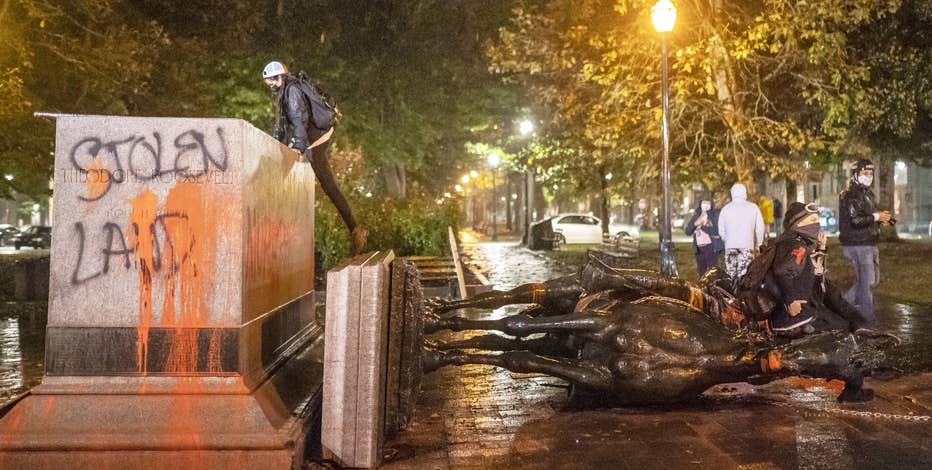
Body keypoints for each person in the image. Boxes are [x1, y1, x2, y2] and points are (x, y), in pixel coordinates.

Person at [263, 61, 367, 254]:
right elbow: (281, 125)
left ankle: (355, 229)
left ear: (280, 77)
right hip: (313, 137)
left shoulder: (292, 91)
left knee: (327, 184)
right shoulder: (284, 92)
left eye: (272, 82)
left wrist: (299, 147)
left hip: (316, 138)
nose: (271, 86)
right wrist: (273, 141)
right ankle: (354, 228)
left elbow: (300, 120)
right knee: (325, 183)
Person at [765, 202, 866, 335]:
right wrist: (791, 301)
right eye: (813, 220)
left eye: (818, 220)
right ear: (799, 224)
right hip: (798, 319)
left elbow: (817, 272)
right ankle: (860, 326)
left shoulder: (796, 242)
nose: (817, 225)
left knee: (831, 293)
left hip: (805, 311)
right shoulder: (796, 245)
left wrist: (821, 248)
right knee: (843, 328)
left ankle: (860, 324)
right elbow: (782, 270)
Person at [838, 158, 891, 324]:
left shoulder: (867, 193)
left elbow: (869, 216)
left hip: (868, 242)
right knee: (867, 283)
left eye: (871, 173)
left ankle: (841, 306)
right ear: (856, 174)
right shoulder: (851, 194)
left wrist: (882, 219)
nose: (869, 176)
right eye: (865, 173)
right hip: (857, 244)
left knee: (870, 281)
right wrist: (876, 216)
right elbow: (856, 220)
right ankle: (867, 320)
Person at [718, 183, 766, 282]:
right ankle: (742, 296)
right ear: (745, 193)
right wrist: (759, 244)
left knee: (731, 276)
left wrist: (726, 239)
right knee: (744, 276)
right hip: (747, 247)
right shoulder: (753, 207)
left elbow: (721, 230)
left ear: (732, 193)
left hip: (730, 246)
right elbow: (760, 227)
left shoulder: (725, 209)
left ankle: (731, 295)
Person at [684, 198, 723, 276]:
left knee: (711, 272)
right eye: (704, 202)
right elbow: (688, 231)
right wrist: (696, 222)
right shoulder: (696, 215)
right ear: (700, 204)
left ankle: (712, 287)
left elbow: (717, 230)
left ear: (711, 205)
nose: (705, 204)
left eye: (708, 203)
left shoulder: (714, 215)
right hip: (699, 249)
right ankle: (703, 287)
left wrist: (705, 223)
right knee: (702, 272)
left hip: (711, 248)